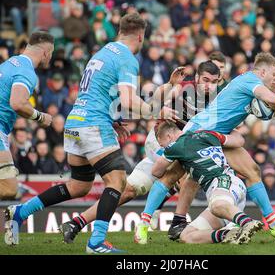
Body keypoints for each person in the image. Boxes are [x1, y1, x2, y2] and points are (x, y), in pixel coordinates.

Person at [4, 13, 174, 254]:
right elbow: (127, 99)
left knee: (78, 186)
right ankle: (96, 242)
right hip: (93, 125)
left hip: (75, 122)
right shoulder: (127, 58)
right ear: (140, 36)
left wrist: (113, 120)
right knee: (117, 181)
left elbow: (97, 91)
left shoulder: (103, 52)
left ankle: (21, 211)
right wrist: (152, 110)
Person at [59, 54, 230, 244]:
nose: (209, 85)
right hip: (159, 142)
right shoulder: (185, 87)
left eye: (214, 81)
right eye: (206, 80)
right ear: (197, 77)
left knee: (128, 190)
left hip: (176, 147)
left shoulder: (218, 100)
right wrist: (169, 85)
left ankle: (76, 222)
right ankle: (175, 220)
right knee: (187, 172)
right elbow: (156, 102)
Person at [135, 52, 275, 243]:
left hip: (217, 135)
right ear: (262, 72)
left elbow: (262, 107)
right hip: (199, 131)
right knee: (172, 175)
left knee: (252, 170)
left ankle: (274, 223)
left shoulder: (250, 84)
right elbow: (273, 101)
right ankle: (144, 223)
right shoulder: (251, 80)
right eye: (274, 74)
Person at [135, 121, 263, 245]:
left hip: (223, 183)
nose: (164, 148)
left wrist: (169, 158)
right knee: (187, 236)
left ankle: (247, 222)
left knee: (216, 205)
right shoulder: (208, 134)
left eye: (162, 145)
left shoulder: (176, 146)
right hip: (230, 193)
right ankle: (229, 234)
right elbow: (239, 140)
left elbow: (156, 171)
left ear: (169, 136)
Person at [0, 32, 54, 200]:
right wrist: (40, 117)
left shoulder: (9, 63)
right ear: (45, 53)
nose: (50, 58)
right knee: (9, 188)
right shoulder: (27, 71)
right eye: (50, 54)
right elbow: (17, 103)